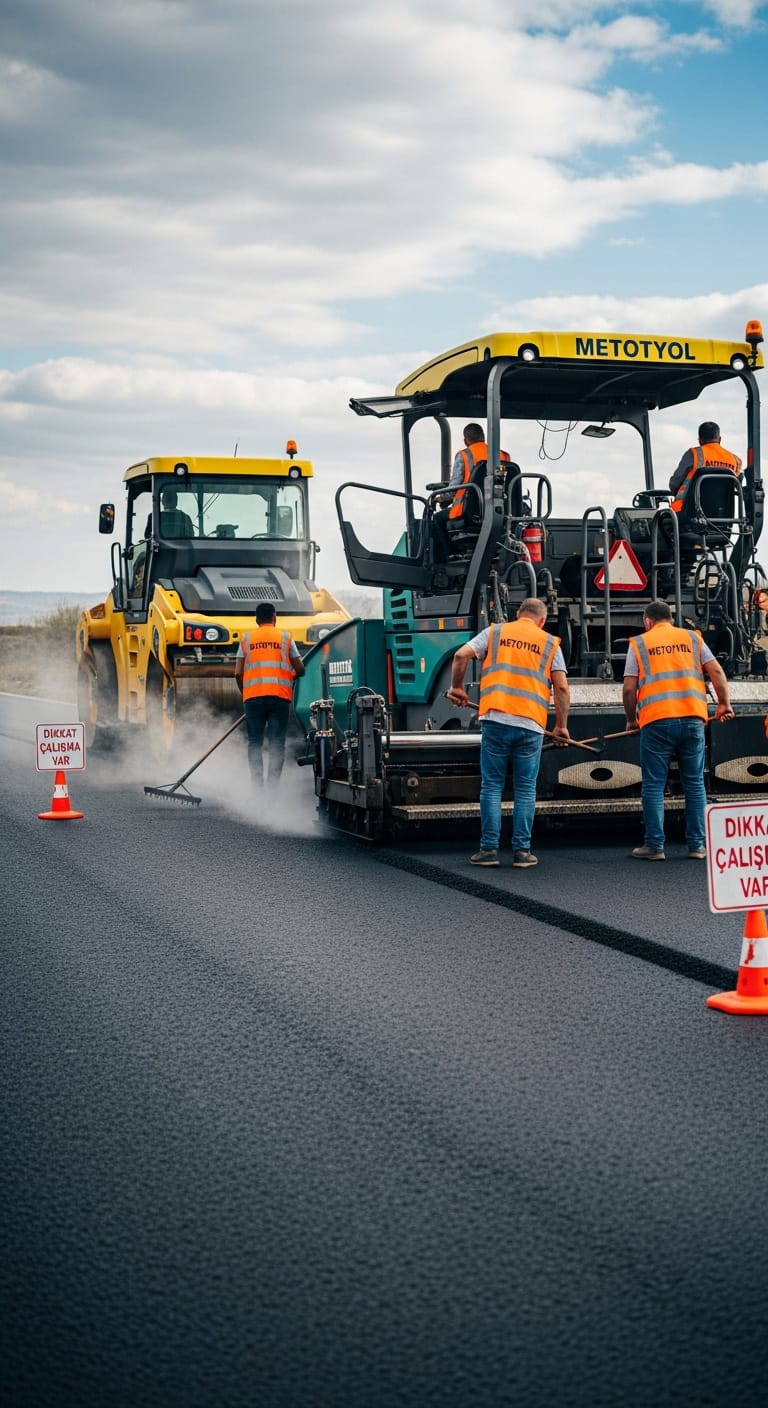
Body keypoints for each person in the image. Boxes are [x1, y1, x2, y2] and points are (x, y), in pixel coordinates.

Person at [448, 597, 570, 868]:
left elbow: (460, 655)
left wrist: (457, 688)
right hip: (531, 725)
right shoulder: (550, 643)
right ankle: (522, 853)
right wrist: (560, 726)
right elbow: (561, 688)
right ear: (542, 620)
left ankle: (489, 851)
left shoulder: (495, 632)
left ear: (518, 614)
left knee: (492, 786)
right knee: (525, 788)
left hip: (496, 719)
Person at [622, 598, 734, 861]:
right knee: (694, 783)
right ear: (671, 619)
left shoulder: (639, 643)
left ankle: (654, 846)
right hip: (693, 719)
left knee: (653, 784)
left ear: (647, 621)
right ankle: (697, 846)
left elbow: (629, 688)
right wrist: (723, 704)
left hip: (656, 722)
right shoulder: (692, 639)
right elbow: (716, 671)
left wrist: (631, 719)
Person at [234, 603, 305, 787]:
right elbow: (300, 668)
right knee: (276, 743)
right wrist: (290, 676)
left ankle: (258, 786)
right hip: (279, 697)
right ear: (275, 618)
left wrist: (246, 694)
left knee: (255, 742)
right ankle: (273, 787)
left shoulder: (246, 639)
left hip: (253, 699)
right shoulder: (285, 638)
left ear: (256, 619)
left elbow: (237, 673)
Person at [432, 423, 510, 565]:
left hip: (469, 515)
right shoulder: (503, 455)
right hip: (500, 514)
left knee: (437, 519)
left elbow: (454, 486)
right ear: (483, 438)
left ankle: (450, 556)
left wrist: (441, 498)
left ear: (465, 440)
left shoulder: (464, 456)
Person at [668, 421, 742, 514]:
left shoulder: (694, 454)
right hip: (724, 515)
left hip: (690, 513)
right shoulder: (735, 460)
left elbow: (675, 483)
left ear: (700, 440)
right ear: (720, 439)